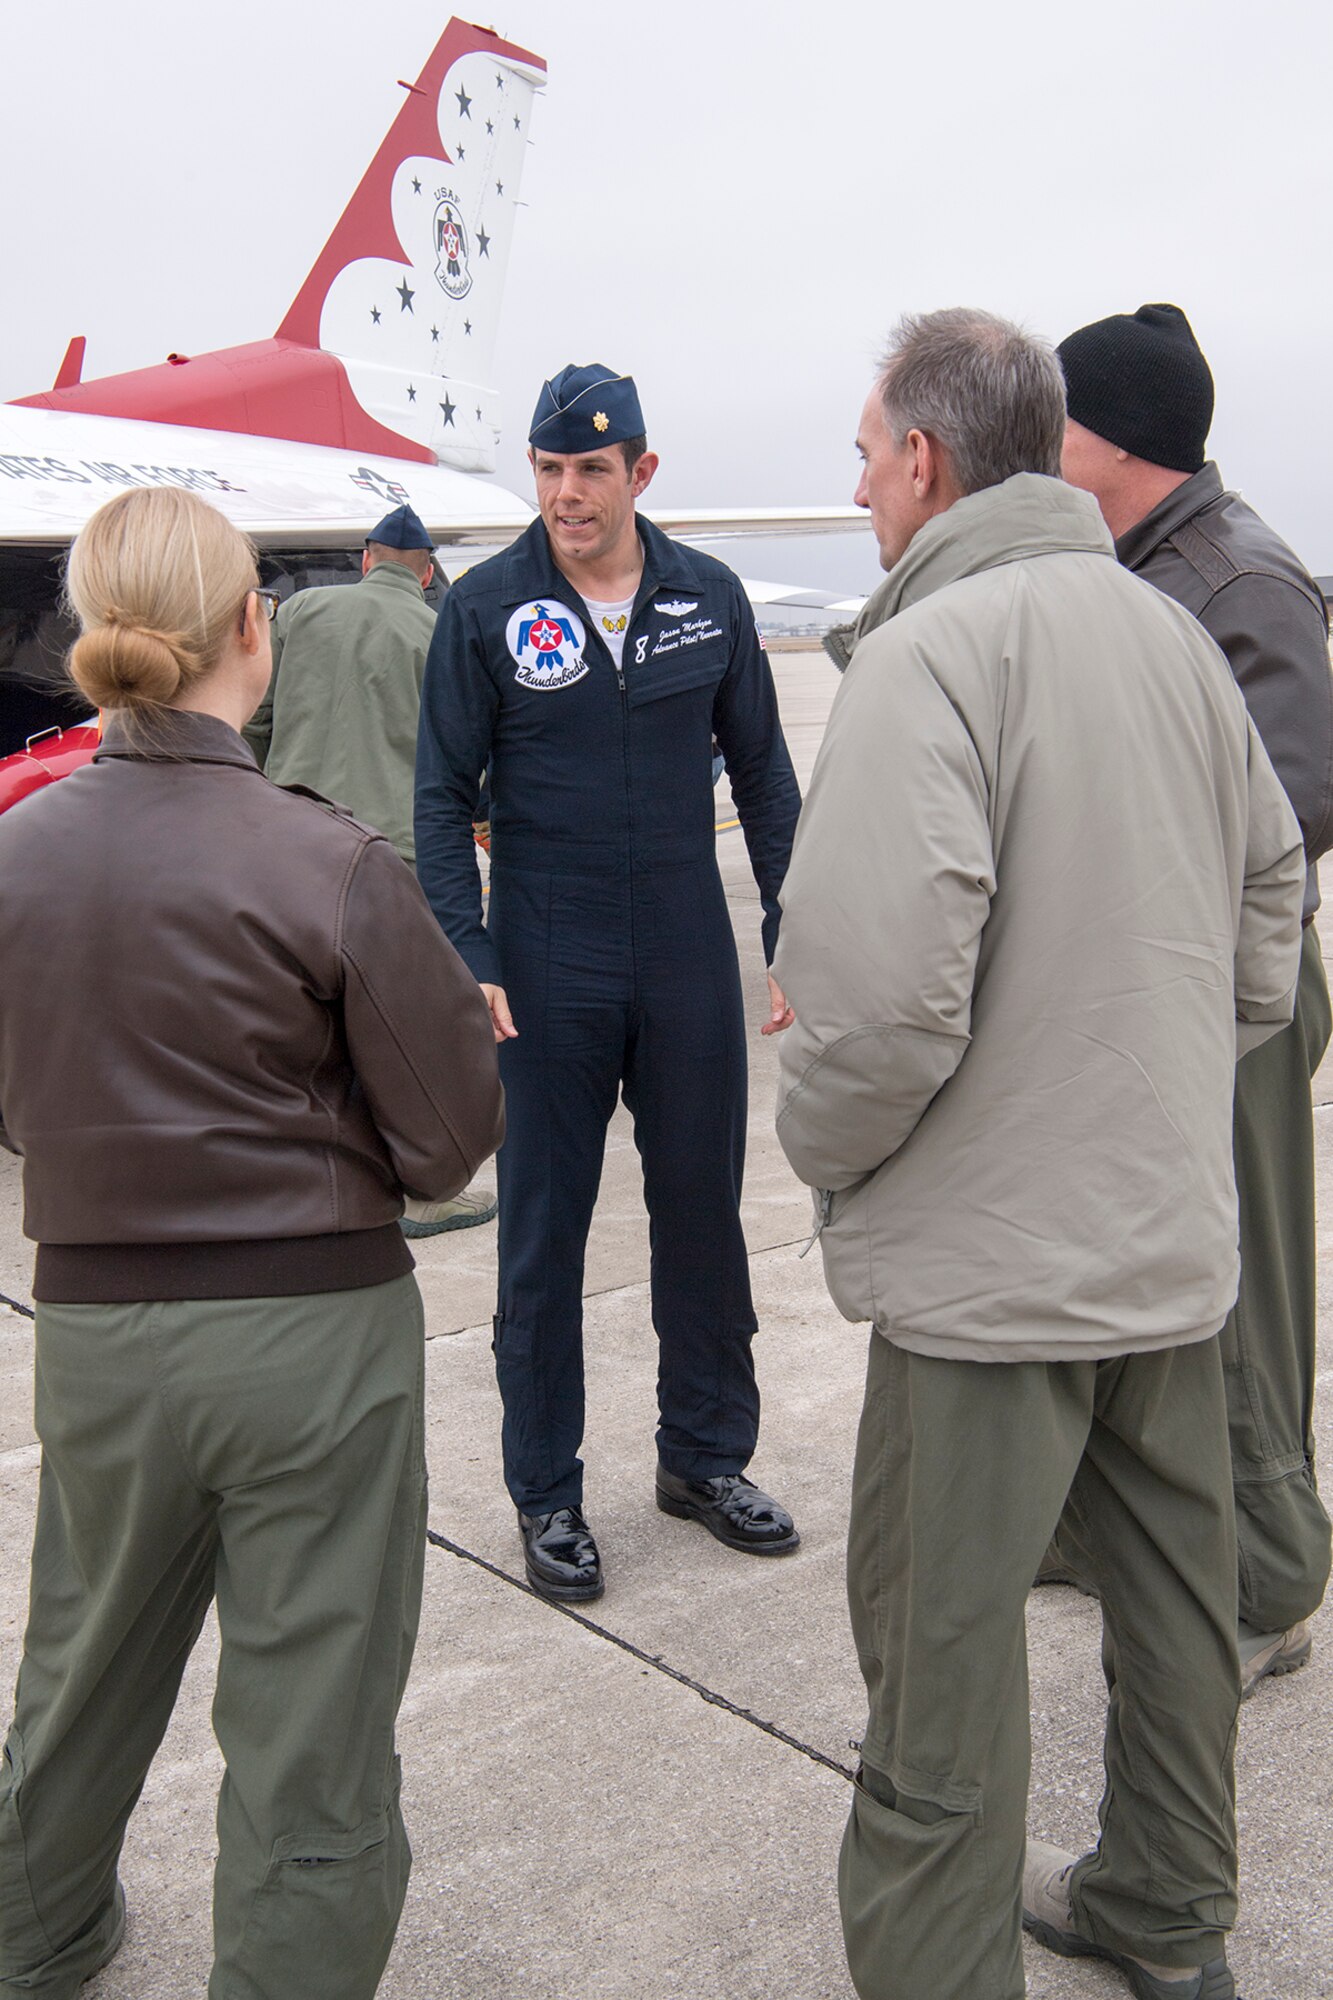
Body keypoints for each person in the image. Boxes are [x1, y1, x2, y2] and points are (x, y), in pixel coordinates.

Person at [774, 310, 1305, 2000]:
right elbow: (1271, 904)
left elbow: (874, 1011)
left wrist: (829, 1159)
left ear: (924, 461)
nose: (854, 488)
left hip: (986, 1286)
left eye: (864, 456)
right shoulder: (1161, 634)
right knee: (1172, 1614)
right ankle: (1166, 1914)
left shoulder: (924, 658)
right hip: (1159, 1245)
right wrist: (1158, 1078)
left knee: (938, 1652)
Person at [0, 487, 504, 2000]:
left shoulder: (17, 856)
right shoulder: (329, 863)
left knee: (79, 1672)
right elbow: (449, 1135)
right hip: (311, 1336)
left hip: (95, 1325)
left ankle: (38, 1935)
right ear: (246, 628)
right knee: (311, 1729)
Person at [415, 362, 802, 1603]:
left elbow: (765, 776)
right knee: (542, 1236)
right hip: (544, 954)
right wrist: (468, 954)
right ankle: (547, 1491)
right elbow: (434, 800)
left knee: (702, 1215)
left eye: (591, 469)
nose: (568, 494)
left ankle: (703, 1458)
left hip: (686, 942)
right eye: (548, 469)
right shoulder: (484, 609)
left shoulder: (709, 598)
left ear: (641, 470)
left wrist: (793, 926)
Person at [1055, 303, 1333, 1693]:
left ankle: (1273, 1577)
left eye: (1057, 417)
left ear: (1108, 438)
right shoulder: (1130, 565)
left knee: (1247, 1290)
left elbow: (1292, 801)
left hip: (1239, 988)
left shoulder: (1236, 580)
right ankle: (1117, 1523)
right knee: (1137, 1272)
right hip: (1149, 977)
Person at [245, 501, 496, 1239]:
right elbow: (469, 753)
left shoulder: (299, 612)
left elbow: (254, 724)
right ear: (424, 574)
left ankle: (300, 1181)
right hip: (399, 856)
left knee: (297, 1025)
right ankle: (424, 1192)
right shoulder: (439, 628)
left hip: (291, 846)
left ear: (364, 559)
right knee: (406, 1030)